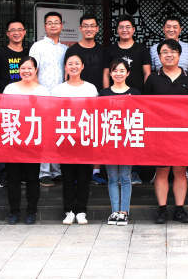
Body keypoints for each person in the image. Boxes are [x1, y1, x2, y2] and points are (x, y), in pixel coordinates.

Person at [144, 39, 188, 224]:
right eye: (165, 52)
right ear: (159, 56)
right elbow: (146, 106)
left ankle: (180, 209)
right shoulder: (153, 79)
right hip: (160, 132)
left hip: (183, 132)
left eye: (173, 52)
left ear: (179, 55)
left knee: (180, 171)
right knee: (162, 171)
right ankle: (162, 209)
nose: (169, 55)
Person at [102, 15, 150, 185]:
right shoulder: (110, 50)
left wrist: (144, 96)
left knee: (133, 133)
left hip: (135, 98)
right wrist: (107, 94)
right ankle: (112, 172)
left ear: (133, 30)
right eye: (121, 27)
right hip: (114, 98)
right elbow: (106, 73)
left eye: (128, 27)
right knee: (115, 133)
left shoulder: (141, 49)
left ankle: (133, 172)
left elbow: (147, 73)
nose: (125, 30)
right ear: (117, 30)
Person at [51, 52, 98, 226]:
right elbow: (53, 113)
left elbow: (95, 112)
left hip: (85, 137)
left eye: (77, 63)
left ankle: (82, 210)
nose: (74, 66)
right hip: (66, 137)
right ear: (65, 67)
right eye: (70, 63)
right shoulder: (58, 89)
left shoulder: (91, 88)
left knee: (84, 177)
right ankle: (69, 210)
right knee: (68, 177)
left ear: (83, 66)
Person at [3, 56, 50, 225]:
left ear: (35, 70)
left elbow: (47, 114)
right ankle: (14, 211)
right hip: (14, 138)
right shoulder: (10, 88)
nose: (26, 71)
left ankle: (31, 211)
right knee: (13, 178)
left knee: (32, 178)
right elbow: (3, 111)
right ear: (18, 70)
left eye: (29, 68)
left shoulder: (43, 91)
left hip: (33, 140)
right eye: (23, 68)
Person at [64, 14, 107, 185]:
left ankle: (95, 171)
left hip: (95, 96)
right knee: (76, 134)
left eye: (92, 26)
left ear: (97, 29)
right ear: (80, 28)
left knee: (95, 134)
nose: (89, 29)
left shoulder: (102, 50)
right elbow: (66, 73)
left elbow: (105, 74)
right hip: (74, 97)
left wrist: (104, 95)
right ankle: (76, 169)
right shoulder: (72, 50)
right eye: (85, 26)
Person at [0, 19, 29, 189]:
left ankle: (24, 174)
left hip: (27, 104)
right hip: (6, 104)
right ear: (7, 34)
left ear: (24, 32)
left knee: (25, 139)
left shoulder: (29, 52)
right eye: (13, 30)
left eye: (20, 29)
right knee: (7, 139)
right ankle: (6, 175)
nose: (16, 33)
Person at [100, 58, 141, 226]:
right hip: (109, 139)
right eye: (115, 70)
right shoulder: (103, 94)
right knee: (112, 178)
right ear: (110, 73)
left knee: (125, 177)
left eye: (122, 70)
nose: (118, 73)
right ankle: (114, 212)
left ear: (128, 73)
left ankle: (124, 212)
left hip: (127, 139)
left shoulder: (135, 93)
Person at [29, 11, 67, 187]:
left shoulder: (65, 49)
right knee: (44, 134)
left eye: (56, 22)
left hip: (60, 97)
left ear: (61, 26)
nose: (53, 25)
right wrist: (39, 93)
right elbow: (32, 70)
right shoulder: (37, 46)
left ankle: (57, 170)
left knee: (59, 133)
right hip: (43, 96)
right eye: (49, 22)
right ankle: (44, 172)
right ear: (45, 26)